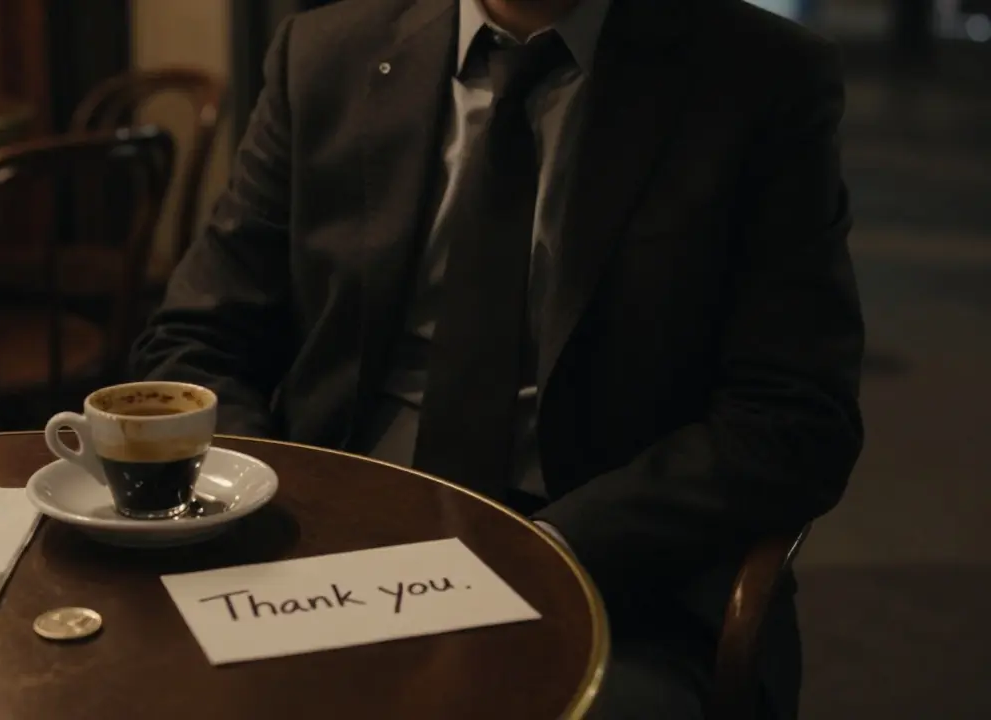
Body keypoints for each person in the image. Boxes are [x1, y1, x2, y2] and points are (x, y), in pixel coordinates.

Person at [131, 0, 864, 716]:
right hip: (318, 553)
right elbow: (197, 339)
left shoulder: (758, 75)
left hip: (606, 576)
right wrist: (266, 499)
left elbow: (792, 418)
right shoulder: (327, 55)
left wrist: (549, 551)